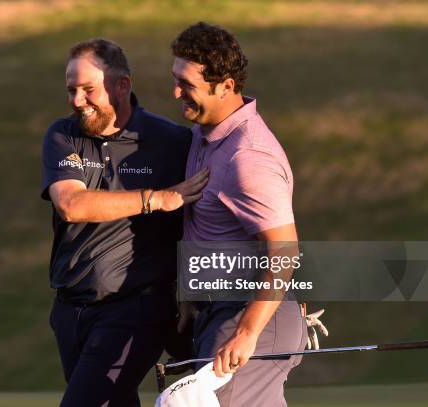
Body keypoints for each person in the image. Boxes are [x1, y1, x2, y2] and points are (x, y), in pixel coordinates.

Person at [41, 38, 208, 407]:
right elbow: (71, 204)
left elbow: (209, 213)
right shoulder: (62, 135)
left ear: (122, 85)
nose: (76, 101)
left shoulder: (171, 141)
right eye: (71, 90)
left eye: (88, 90)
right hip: (70, 310)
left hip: (135, 306)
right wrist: (156, 199)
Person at [170, 22, 308, 406]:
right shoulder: (206, 133)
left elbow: (284, 250)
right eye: (176, 79)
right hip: (219, 310)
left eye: (187, 84)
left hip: (251, 318)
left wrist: (247, 332)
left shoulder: (247, 157)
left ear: (226, 87)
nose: (176, 92)